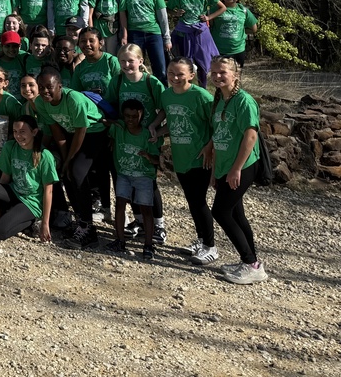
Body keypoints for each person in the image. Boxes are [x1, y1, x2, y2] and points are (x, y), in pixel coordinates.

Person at [149, 57, 217, 265]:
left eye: (180, 74)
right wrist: (157, 130)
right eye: (171, 73)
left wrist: (210, 147)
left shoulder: (202, 96)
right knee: (192, 201)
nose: (175, 78)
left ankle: (211, 246)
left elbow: (217, 125)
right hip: (181, 158)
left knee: (199, 202)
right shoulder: (167, 96)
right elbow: (175, 122)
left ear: (191, 75)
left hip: (200, 158)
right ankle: (201, 240)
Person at [208, 56, 268, 284]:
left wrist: (236, 169)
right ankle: (250, 262)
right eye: (214, 72)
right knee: (236, 213)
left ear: (236, 75)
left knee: (221, 212)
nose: (217, 76)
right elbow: (219, 135)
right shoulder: (220, 99)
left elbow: (250, 135)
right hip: (225, 166)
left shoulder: (244, 101)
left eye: (222, 72)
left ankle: (251, 262)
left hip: (242, 166)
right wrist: (216, 170)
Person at [33, 67, 105, 248]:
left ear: (60, 86)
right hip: (71, 134)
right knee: (66, 174)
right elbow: (57, 131)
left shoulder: (73, 99)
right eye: (40, 87)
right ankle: (81, 221)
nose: (44, 91)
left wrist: (70, 160)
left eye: (49, 87)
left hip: (93, 132)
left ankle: (87, 228)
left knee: (76, 172)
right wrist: (65, 160)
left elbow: (82, 129)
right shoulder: (41, 102)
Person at [0, 115, 57, 241]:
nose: (18, 136)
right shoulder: (10, 146)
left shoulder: (45, 156)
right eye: (15, 132)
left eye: (23, 132)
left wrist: (45, 224)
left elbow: (48, 191)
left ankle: (31, 220)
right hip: (14, 191)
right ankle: (11, 211)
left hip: (32, 201)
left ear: (34, 132)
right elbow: (5, 177)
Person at [103, 98, 161, 259]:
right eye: (127, 116)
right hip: (123, 174)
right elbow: (105, 123)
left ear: (141, 115)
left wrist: (149, 156)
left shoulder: (146, 135)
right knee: (120, 203)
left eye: (134, 116)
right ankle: (120, 240)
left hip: (143, 177)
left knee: (146, 209)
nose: (130, 120)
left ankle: (149, 245)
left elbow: (158, 159)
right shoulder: (119, 128)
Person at [167, 0, 226, 87]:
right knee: (185, 63)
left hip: (201, 32)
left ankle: (202, 88)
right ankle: (185, 87)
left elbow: (222, 7)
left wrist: (209, 17)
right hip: (184, 32)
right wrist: (176, 13)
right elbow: (167, 9)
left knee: (202, 61)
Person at [120, 0, 172, 84]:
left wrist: (167, 38)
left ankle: (162, 93)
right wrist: (124, 35)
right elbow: (123, 14)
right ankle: (139, 90)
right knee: (135, 66)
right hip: (135, 34)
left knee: (160, 68)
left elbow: (163, 17)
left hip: (153, 34)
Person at [210, 0, 259, 67]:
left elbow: (253, 29)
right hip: (218, 50)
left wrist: (240, 30)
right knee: (220, 75)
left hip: (238, 50)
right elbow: (209, 26)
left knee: (236, 76)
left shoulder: (244, 10)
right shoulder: (214, 8)